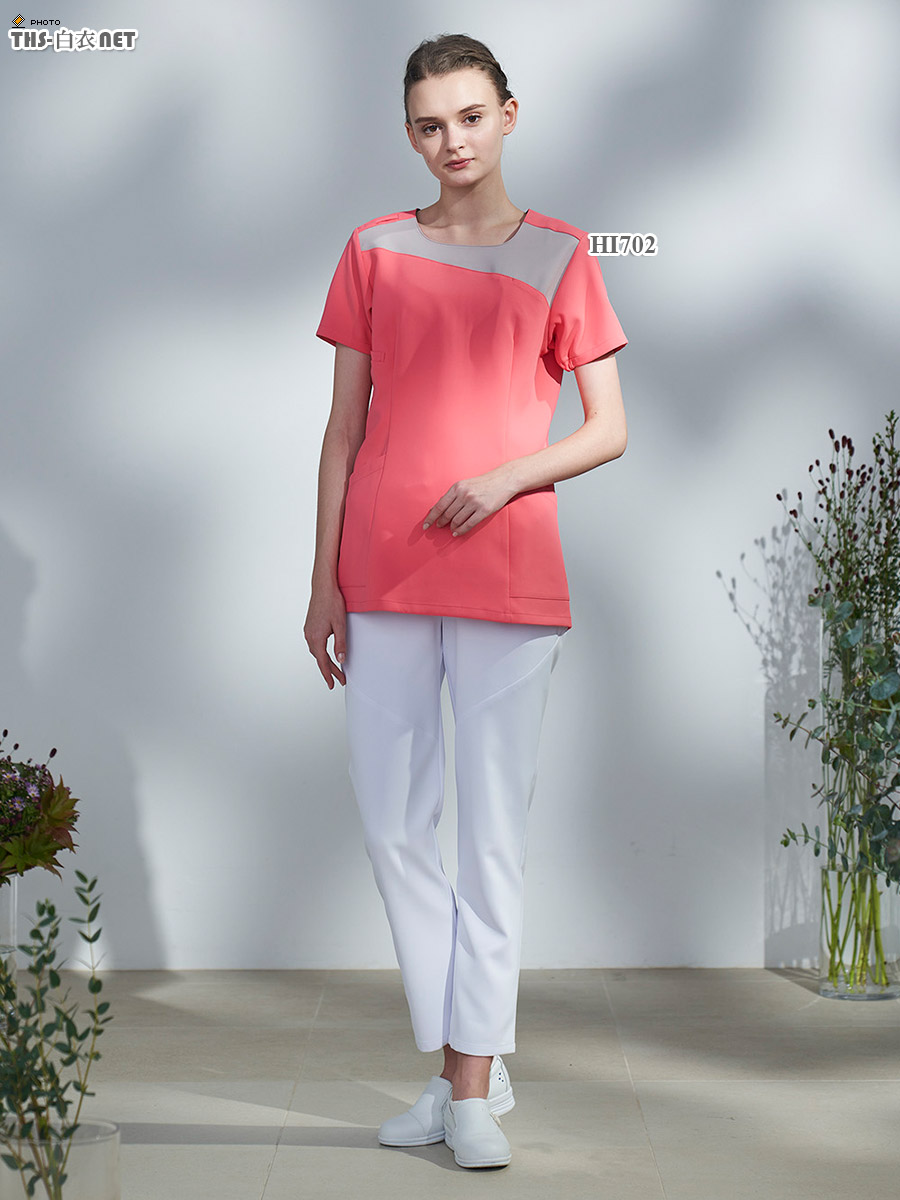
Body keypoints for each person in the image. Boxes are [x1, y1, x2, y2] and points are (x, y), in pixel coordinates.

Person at [304, 33, 627, 1170]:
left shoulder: (562, 254)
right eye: (431, 124)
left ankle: (472, 1086)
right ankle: (458, 1069)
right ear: (410, 134)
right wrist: (322, 581)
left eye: (472, 117)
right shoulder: (373, 249)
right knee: (395, 825)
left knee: (492, 836)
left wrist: (505, 477)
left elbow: (608, 428)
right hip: (383, 569)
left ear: (509, 114)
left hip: (509, 574)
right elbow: (342, 432)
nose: (453, 140)